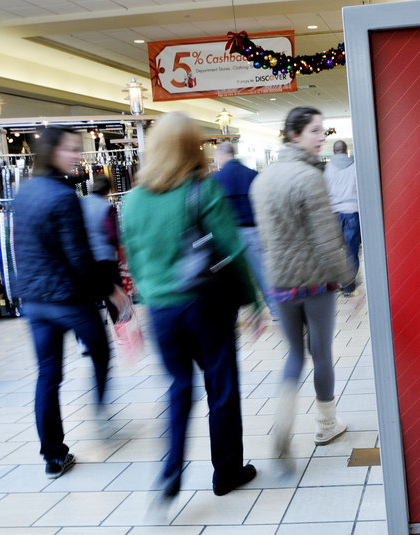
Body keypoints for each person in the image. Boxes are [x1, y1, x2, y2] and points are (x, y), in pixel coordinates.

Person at [121, 112, 262, 499]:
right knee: (221, 386)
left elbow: (133, 259)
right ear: (191, 148)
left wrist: (146, 301)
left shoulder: (132, 200)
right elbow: (232, 250)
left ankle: (169, 473)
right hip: (205, 305)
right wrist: (254, 303)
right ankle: (227, 472)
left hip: (162, 311)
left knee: (178, 387)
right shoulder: (202, 189)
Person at [13, 127, 129, 479]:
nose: (77, 155)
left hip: (34, 300)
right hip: (67, 298)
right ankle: (101, 411)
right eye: (70, 149)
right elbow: (79, 256)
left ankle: (52, 455)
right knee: (101, 351)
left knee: (48, 375)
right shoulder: (64, 197)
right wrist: (111, 289)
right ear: (52, 152)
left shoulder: (23, 193)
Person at [250, 106, 356, 464]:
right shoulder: (310, 177)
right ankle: (326, 424)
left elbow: (266, 238)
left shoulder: (261, 181)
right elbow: (327, 239)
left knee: (295, 354)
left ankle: (283, 419)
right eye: (314, 130)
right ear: (293, 134)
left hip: (279, 282)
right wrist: (347, 279)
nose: (319, 138)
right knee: (321, 353)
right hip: (314, 282)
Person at [212, 142, 278, 319]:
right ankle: (275, 310)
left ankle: (230, 316)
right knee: (262, 272)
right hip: (253, 231)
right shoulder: (252, 175)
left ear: (221, 155)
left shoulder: (215, 180)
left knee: (229, 277)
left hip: (228, 235)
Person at [80, 174, 123, 323]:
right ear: (107, 190)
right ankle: (121, 329)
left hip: (86, 259)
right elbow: (113, 235)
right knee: (114, 298)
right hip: (106, 259)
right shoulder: (107, 207)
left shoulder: (80, 202)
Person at [323, 140, 361, 296]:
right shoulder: (355, 167)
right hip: (352, 212)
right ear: (346, 151)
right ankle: (348, 287)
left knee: (334, 251)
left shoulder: (327, 169)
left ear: (333, 152)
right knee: (351, 251)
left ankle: (335, 283)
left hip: (333, 214)